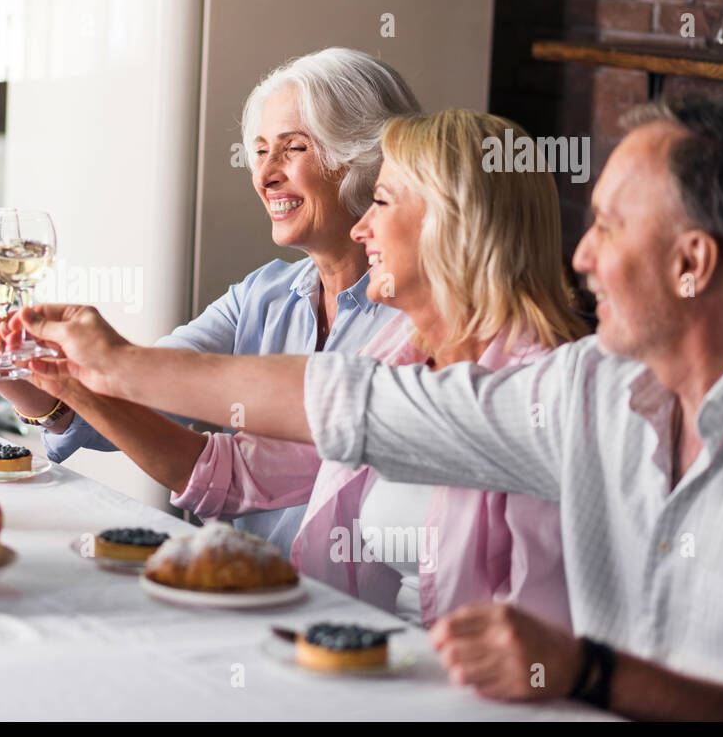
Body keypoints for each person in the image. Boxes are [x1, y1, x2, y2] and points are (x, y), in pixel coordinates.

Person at [6, 94, 723, 720]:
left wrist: (586, 673)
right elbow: (332, 411)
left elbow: (549, 669)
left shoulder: (553, 377)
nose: (581, 256)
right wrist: (95, 374)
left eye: (609, 226)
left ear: (692, 263)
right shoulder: (590, 388)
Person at [0, 48, 417, 548]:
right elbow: (129, 401)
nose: (265, 174)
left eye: (294, 148)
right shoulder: (261, 295)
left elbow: (224, 471)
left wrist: (93, 364)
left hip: (352, 612)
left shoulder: (416, 323)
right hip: (241, 588)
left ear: (361, 156)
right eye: (261, 151)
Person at [151, 111, 582, 627]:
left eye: (380, 201)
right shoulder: (400, 352)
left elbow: (550, 625)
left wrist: (113, 364)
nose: (360, 228)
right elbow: (237, 472)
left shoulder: (543, 392)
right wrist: (76, 385)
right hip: (372, 656)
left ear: (452, 220)